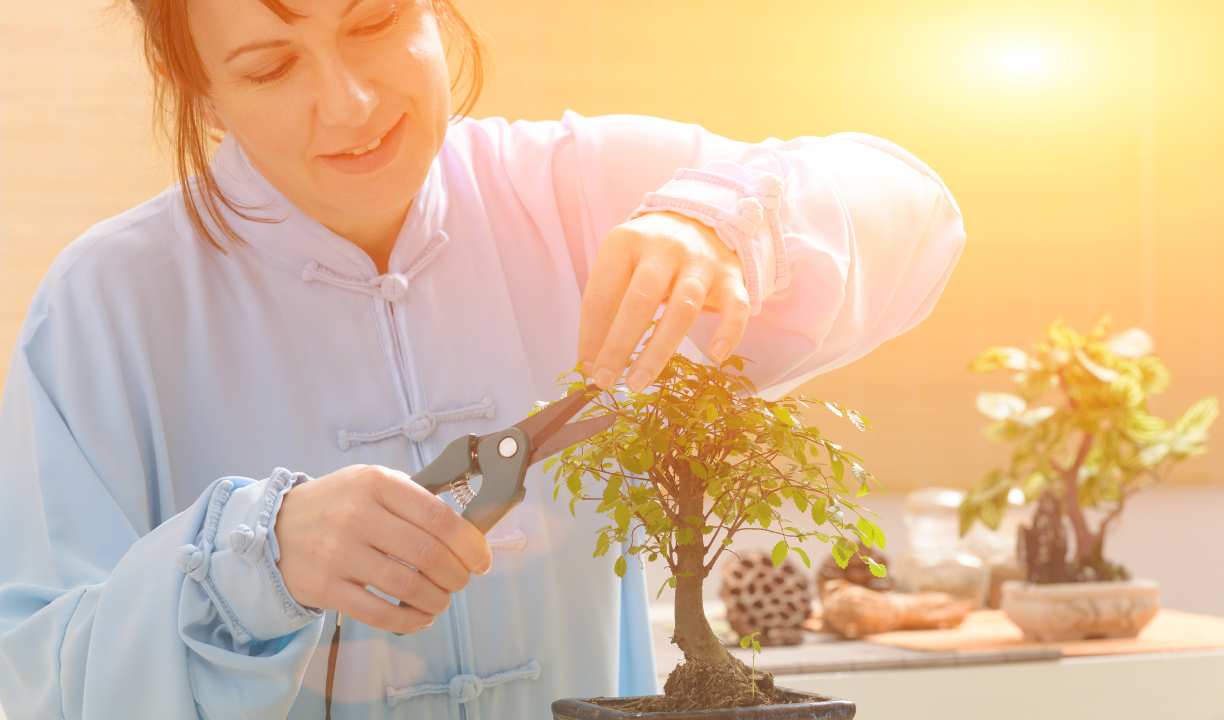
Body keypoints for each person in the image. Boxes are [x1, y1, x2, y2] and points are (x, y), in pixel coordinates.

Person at [0, 0, 967, 718]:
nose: (350, 104)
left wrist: (725, 220)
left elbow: (914, 216)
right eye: (268, 67)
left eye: (374, 21)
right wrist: (252, 560)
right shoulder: (109, 304)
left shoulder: (582, 189)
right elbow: (34, 674)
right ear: (203, 96)